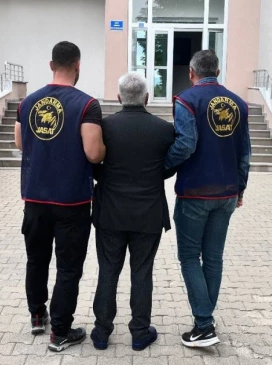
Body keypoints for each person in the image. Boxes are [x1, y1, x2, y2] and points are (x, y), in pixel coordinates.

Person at [14, 41, 105, 353]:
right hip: (72, 201)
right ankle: (61, 333)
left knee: (36, 259)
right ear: (78, 66)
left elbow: (20, 143)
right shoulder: (87, 104)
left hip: (34, 199)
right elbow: (93, 153)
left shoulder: (27, 103)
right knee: (68, 268)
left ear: (51, 65)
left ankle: (37, 315)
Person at [165, 50, 251, 348]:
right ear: (217, 70)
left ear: (191, 73)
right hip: (227, 193)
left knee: (190, 257)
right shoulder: (238, 103)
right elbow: (245, 152)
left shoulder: (187, 100)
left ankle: (204, 325)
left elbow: (185, 144)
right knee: (213, 258)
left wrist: (160, 168)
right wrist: (240, 190)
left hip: (194, 192)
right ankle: (205, 321)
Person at [89, 73, 175, 352]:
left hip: (110, 213)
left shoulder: (104, 127)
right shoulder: (164, 130)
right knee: (142, 272)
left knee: (107, 270)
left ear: (119, 98)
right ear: (147, 98)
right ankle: (139, 333)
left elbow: (91, 161)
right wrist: (155, 175)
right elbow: (173, 163)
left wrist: (105, 176)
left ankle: (101, 333)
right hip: (148, 214)